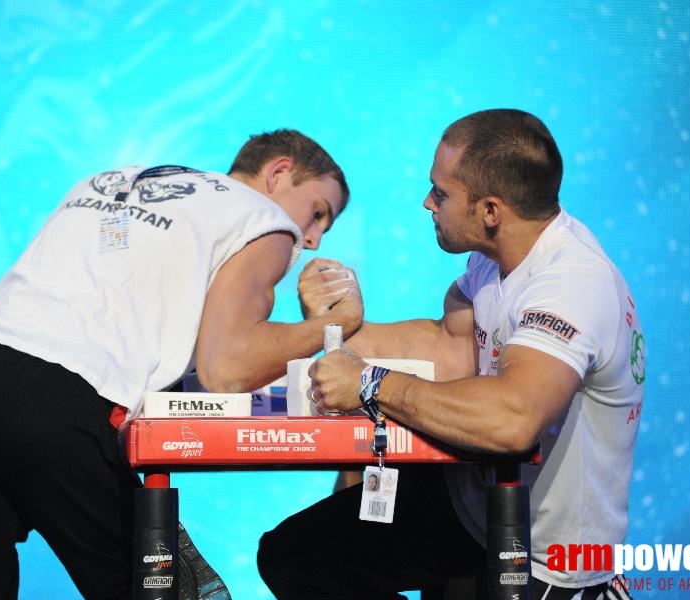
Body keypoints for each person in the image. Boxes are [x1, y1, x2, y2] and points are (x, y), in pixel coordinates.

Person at [0, 129, 364, 600]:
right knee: (177, 594)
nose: (311, 237)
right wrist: (334, 327)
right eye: (318, 212)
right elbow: (228, 367)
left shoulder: (107, 182)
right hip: (56, 406)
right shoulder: (263, 218)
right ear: (278, 172)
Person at [257, 109, 644, 600]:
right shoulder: (494, 258)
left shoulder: (571, 285)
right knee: (294, 558)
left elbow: (512, 420)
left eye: (440, 193)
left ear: (490, 210)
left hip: (548, 563)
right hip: (472, 513)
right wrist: (339, 328)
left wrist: (371, 384)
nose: (427, 202)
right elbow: (450, 345)